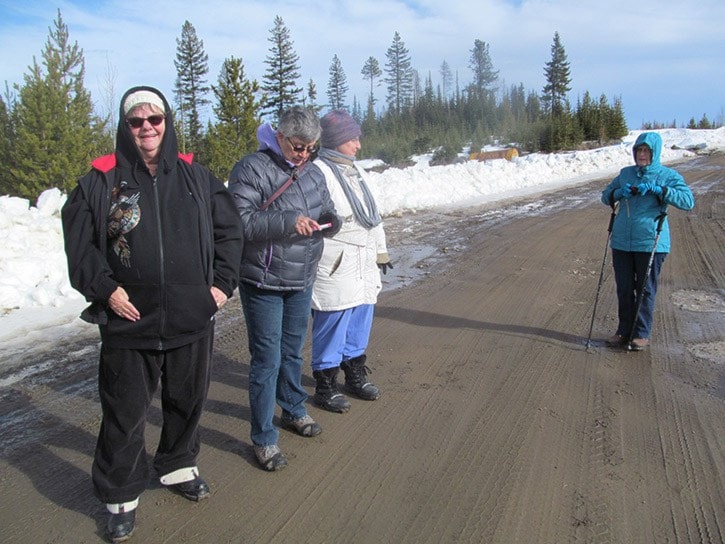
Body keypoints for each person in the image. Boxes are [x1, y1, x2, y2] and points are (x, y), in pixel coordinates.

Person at [61, 86, 243, 543]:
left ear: (168, 122)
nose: (147, 128)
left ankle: (178, 466)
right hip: (128, 319)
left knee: (186, 401)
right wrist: (107, 291)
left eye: (155, 119)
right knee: (124, 412)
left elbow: (230, 235)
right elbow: (80, 249)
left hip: (191, 317)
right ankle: (120, 494)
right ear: (125, 128)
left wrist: (220, 288)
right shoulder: (101, 181)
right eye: (136, 121)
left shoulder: (196, 177)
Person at [228, 106, 340, 472]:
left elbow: (326, 208)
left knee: (293, 351)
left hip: (302, 277)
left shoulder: (313, 172)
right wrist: (291, 221)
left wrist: (330, 221)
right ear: (279, 136)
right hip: (263, 279)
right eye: (297, 147)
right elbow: (241, 222)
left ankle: (293, 409)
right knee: (266, 359)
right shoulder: (251, 168)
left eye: (311, 148)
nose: (304, 154)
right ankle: (263, 437)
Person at [309, 110, 390, 413]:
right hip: (336, 259)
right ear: (337, 139)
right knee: (333, 317)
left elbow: (373, 215)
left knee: (360, 315)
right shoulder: (319, 171)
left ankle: (354, 372)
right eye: (352, 138)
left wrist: (381, 251)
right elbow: (312, 217)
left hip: (364, 258)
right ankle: (325, 383)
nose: (358, 144)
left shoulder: (357, 171)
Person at [601, 131, 694, 351]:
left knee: (644, 289)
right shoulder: (626, 173)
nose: (641, 155)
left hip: (651, 241)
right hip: (622, 241)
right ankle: (624, 330)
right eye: (639, 150)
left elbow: (688, 201)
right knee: (624, 288)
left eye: (646, 151)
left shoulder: (667, 175)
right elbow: (605, 196)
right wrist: (617, 193)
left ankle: (640, 333)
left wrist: (660, 190)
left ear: (655, 153)